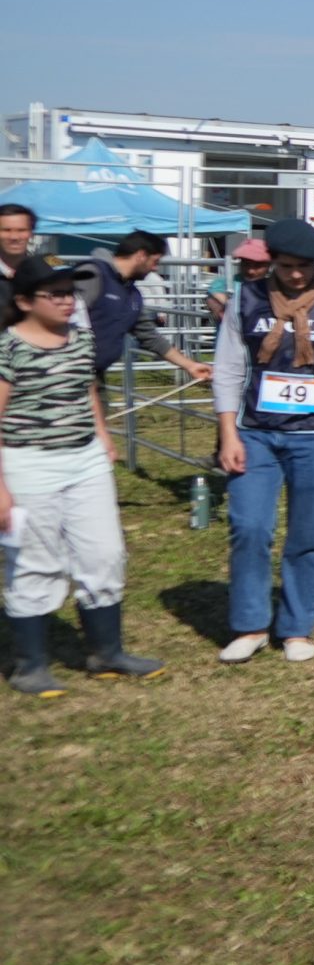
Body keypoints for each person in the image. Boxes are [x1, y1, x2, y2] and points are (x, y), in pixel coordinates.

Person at [211, 218, 314, 665]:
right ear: (272, 262)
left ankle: (296, 627)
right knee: (249, 527)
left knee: (309, 532)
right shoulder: (246, 299)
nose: (297, 274)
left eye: (304, 266)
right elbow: (227, 366)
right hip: (254, 432)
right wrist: (227, 430)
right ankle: (250, 625)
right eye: (287, 266)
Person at [3, 257, 161, 695]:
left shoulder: (78, 339)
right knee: (37, 562)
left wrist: (103, 437)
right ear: (23, 302)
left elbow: (87, 387)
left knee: (105, 554)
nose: (67, 301)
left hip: (85, 460)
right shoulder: (8, 348)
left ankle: (106, 652)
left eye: (69, 293)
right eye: (54, 294)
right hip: (28, 465)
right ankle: (29, 664)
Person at [71, 232, 213, 384]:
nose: (155, 269)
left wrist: (190, 366)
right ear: (141, 255)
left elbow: (150, 337)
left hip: (93, 376)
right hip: (67, 374)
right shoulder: (93, 275)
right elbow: (62, 323)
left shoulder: (132, 295)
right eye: (155, 261)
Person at [204, 237, 269, 325]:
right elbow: (215, 296)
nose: (251, 270)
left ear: (268, 265)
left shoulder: (273, 286)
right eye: (246, 264)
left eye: (258, 265)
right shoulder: (225, 283)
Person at [0, 203, 35, 288]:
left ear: (31, 233)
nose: (14, 237)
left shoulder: (46, 270)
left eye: (21, 230)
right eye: (6, 230)